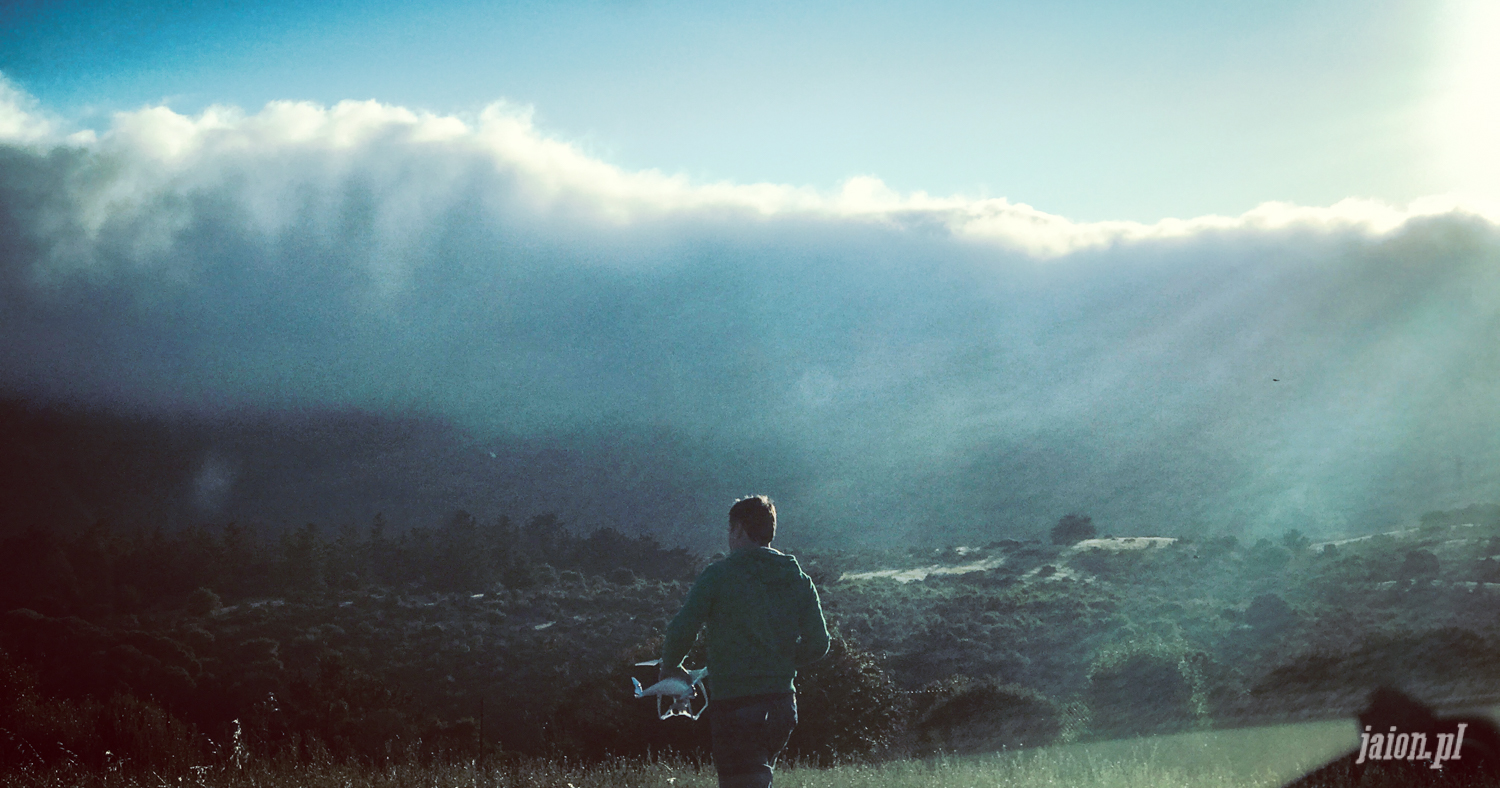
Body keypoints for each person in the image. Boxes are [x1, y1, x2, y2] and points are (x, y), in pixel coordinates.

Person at [660, 495, 831, 788]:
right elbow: (820, 643)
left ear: (738, 529)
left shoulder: (719, 575)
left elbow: (682, 629)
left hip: (736, 704)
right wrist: (780, 662)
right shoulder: (798, 578)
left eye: (730, 531)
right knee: (756, 777)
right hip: (782, 706)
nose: (729, 537)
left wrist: (669, 669)